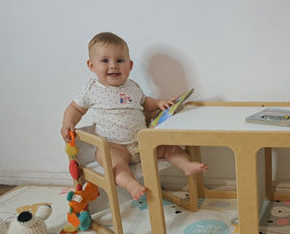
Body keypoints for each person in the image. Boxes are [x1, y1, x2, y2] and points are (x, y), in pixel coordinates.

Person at [61, 32, 208, 200]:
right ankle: (131, 184)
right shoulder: (91, 89)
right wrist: (68, 123)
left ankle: (186, 165)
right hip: (114, 146)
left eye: (120, 60)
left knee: (170, 147)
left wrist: (160, 103)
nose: (113, 66)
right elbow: (75, 108)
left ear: (129, 65)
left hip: (141, 142)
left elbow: (145, 103)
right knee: (113, 163)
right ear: (91, 66)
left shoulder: (132, 86)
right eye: (105, 61)